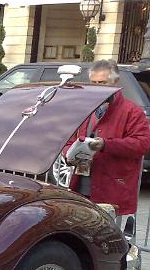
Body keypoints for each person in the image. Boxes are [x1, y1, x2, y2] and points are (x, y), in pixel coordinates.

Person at [64, 59, 150, 222]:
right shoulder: (84, 109)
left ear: (116, 82)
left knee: (105, 234)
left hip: (111, 190)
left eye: (102, 83)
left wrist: (106, 144)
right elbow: (69, 138)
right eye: (94, 83)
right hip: (80, 187)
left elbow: (142, 144)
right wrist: (68, 154)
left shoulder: (132, 111)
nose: (97, 87)